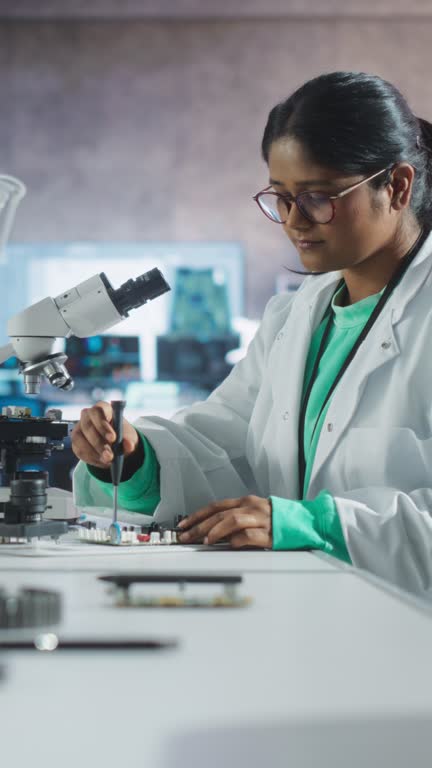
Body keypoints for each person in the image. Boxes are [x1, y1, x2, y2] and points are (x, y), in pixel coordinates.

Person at [72, 71, 432, 597]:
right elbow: (225, 447)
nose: (292, 221)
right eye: (280, 197)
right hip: (306, 615)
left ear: (396, 186)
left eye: (317, 197)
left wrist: (315, 525)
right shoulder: (295, 319)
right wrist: (134, 456)